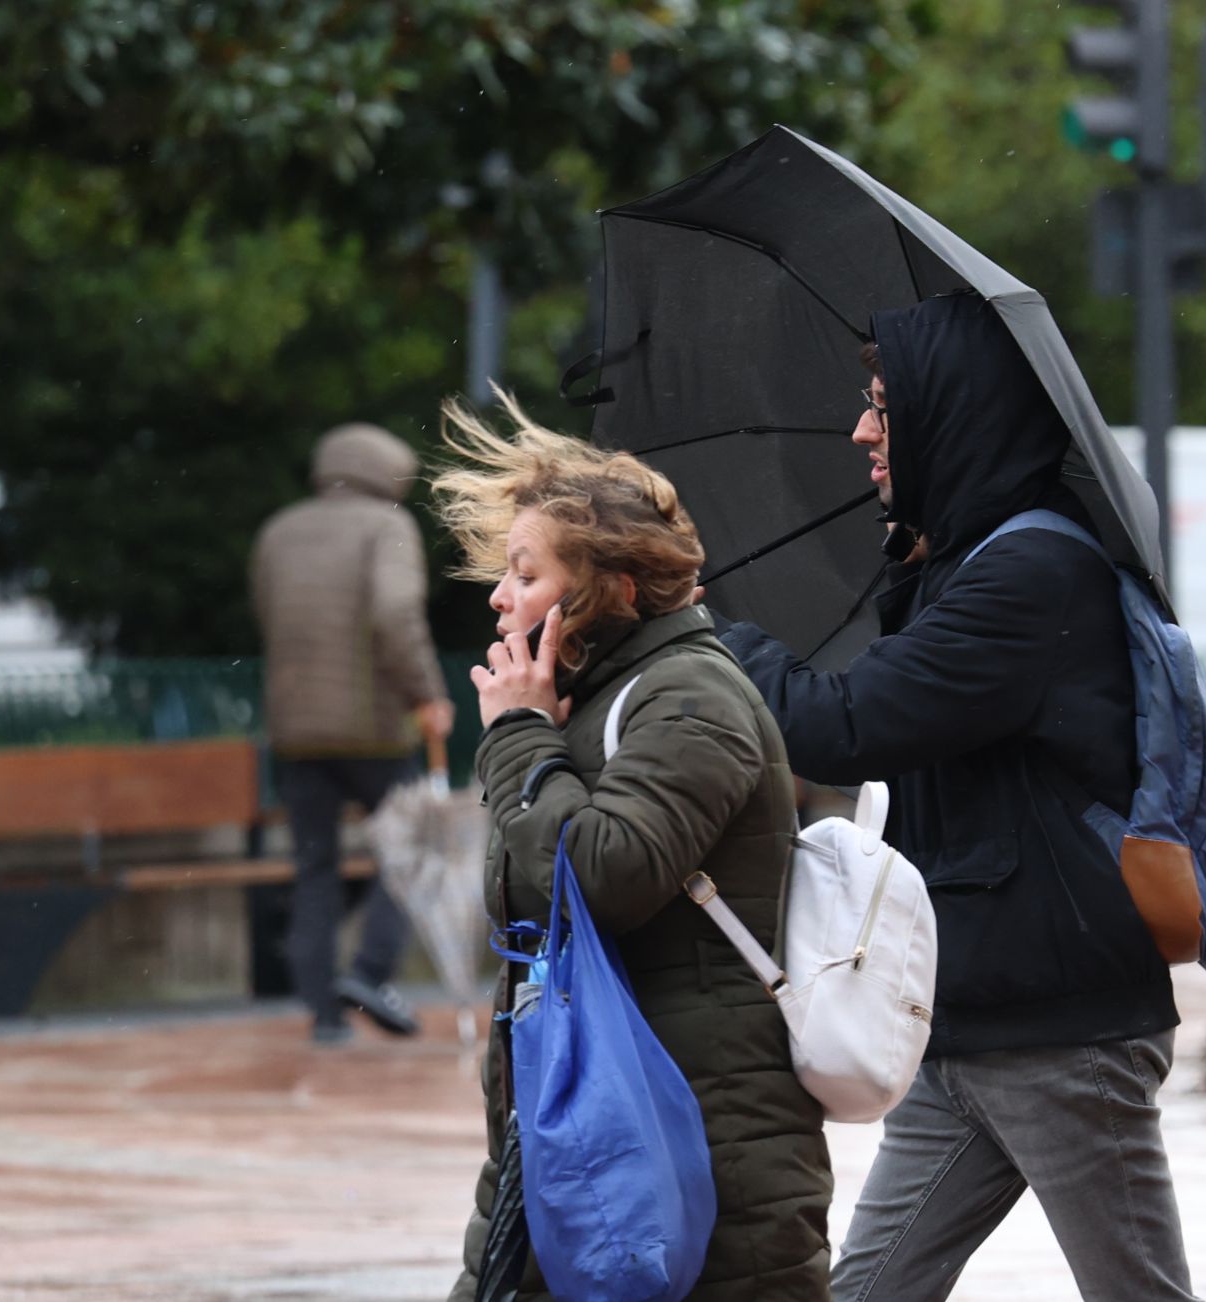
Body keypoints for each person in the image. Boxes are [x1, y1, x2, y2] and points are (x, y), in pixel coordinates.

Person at [711, 293, 1200, 1300]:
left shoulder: (1032, 575)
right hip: (972, 1010)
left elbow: (843, 728)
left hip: (1062, 1025)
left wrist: (702, 619)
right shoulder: (968, 563)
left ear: (952, 414)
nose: (862, 431)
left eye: (883, 407)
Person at [434, 392, 832, 1302]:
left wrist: (519, 738)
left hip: (696, 1145)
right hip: (581, 1120)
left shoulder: (690, 698)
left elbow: (605, 876)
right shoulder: (603, 698)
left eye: (526, 574)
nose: (500, 596)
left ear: (612, 590)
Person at [250, 422, 454, 1045]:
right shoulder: (386, 527)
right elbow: (396, 616)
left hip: (295, 732)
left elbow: (266, 616)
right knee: (412, 851)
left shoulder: (279, 530)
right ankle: (369, 973)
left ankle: (324, 1016)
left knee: (315, 867)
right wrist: (426, 694)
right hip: (374, 731)